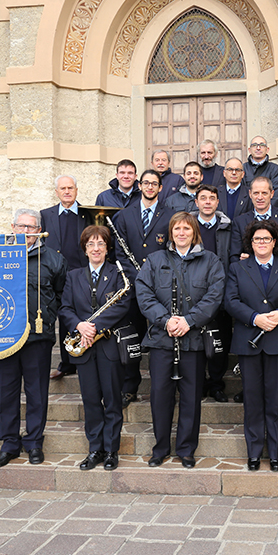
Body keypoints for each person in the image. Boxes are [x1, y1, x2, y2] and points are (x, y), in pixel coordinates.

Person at [136, 213, 225, 468]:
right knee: (160, 396)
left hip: (194, 339)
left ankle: (186, 449)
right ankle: (161, 447)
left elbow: (214, 295)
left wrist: (189, 321)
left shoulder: (210, 261)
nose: (182, 233)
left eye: (187, 228)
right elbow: (144, 294)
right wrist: (166, 320)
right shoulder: (155, 260)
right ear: (171, 232)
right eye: (177, 229)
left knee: (191, 397)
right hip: (162, 340)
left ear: (194, 232)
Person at [225, 220, 278, 471]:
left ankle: (274, 454)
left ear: (275, 242)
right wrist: (254, 317)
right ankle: (253, 452)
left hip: (277, 342)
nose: (262, 243)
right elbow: (230, 300)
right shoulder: (238, 268)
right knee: (252, 400)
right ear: (251, 243)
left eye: (266, 239)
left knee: (274, 401)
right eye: (257, 239)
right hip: (249, 341)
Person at [0, 209, 67, 467]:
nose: (25, 231)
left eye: (31, 227)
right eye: (21, 226)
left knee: (37, 392)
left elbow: (60, 296)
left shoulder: (52, 259)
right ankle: (9, 442)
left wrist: (46, 317)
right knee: (6, 392)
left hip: (38, 336)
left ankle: (34, 441)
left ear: (39, 230)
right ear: (12, 227)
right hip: (5, 336)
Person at [59, 225, 130, 471]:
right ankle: (95, 449)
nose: (96, 248)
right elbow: (65, 308)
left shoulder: (117, 273)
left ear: (107, 248)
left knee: (111, 400)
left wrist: (95, 327)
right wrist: (80, 326)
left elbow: (122, 306)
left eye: (100, 243)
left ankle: (111, 450)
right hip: (84, 348)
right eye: (91, 244)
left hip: (108, 346)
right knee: (90, 401)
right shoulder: (73, 275)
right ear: (85, 249)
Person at [111, 169, 175, 407]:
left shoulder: (170, 215)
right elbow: (119, 252)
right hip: (132, 286)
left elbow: (172, 249)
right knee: (132, 337)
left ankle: (167, 385)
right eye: (146, 183)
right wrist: (137, 277)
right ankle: (130, 386)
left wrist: (155, 277)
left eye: (154, 184)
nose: (149, 187)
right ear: (139, 185)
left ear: (160, 188)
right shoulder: (124, 216)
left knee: (163, 337)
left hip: (163, 287)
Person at [41, 175, 90, 381]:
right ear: (57, 192)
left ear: (77, 190)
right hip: (55, 277)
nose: (67, 191)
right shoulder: (46, 215)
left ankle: (86, 359)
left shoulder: (87, 214)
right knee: (63, 319)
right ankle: (67, 363)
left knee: (84, 318)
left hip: (81, 275)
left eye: (71, 188)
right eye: (63, 188)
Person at [192, 184, 234, 402]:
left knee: (220, 342)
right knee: (196, 343)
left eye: (212, 198)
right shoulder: (187, 226)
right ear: (196, 202)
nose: (207, 202)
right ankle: (197, 384)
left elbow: (233, 257)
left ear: (218, 202)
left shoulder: (228, 226)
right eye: (203, 198)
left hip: (220, 293)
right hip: (193, 294)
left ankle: (216, 384)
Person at [229, 176, 278, 261]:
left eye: (264, 193)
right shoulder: (239, 222)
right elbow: (234, 256)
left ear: (272, 194)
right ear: (250, 194)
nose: (260, 198)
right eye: (256, 193)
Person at [243, 135, 278, 206]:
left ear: (267, 149)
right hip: (247, 213)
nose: (258, 148)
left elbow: (277, 195)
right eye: (254, 145)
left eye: (262, 145)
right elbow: (242, 194)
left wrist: (263, 211)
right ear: (249, 150)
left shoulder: (276, 170)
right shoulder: (243, 169)